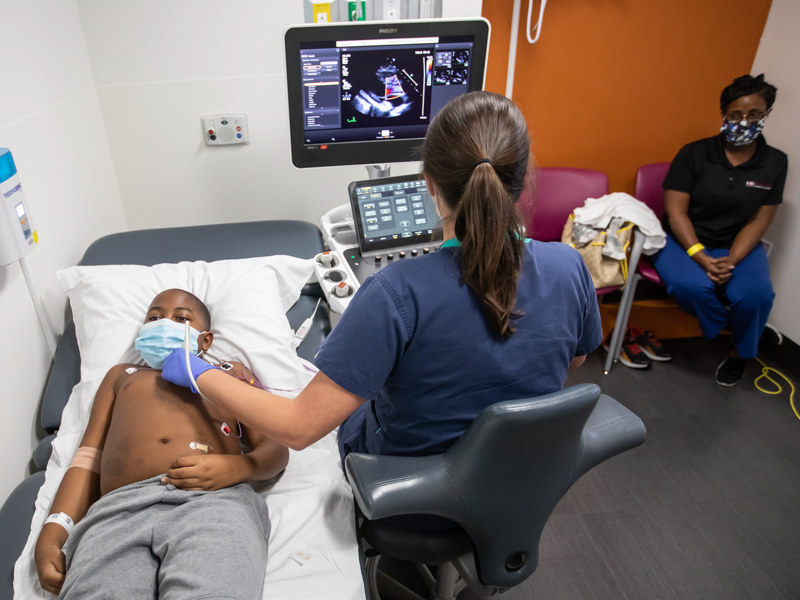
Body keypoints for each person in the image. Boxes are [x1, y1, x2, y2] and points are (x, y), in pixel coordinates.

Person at [162, 91, 603, 506]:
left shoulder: (398, 291)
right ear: (521, 180)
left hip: (419, 494)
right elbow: (573, 362)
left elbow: (298, 429)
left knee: (357, 405)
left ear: (429, 183)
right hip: (527, 477)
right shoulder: (569, 265)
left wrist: (196, 369)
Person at [34, 289, 288, 599]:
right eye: (154, 318)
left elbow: (276, 447)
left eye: (181, 318)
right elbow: (87, 460)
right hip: (117, 512)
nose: (163, 323)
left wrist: (236, 468)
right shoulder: (122, 376)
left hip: (212, 502)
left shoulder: (227, 376)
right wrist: (53, 530)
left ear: (205, 340)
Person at [652, 74, 787, 386]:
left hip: (736, 243)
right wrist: (701, 256)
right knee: (691, 287)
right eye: (735, 115)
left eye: (754, 114)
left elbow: (760, 220)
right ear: (724, 115)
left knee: (757, 296)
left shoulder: (776, 162)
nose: (744, 122)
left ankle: (741, 355)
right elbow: (676, 212)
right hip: (682, 239)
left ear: (766, 115)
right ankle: (735, 329)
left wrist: (732, 260)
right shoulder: (695, 153)